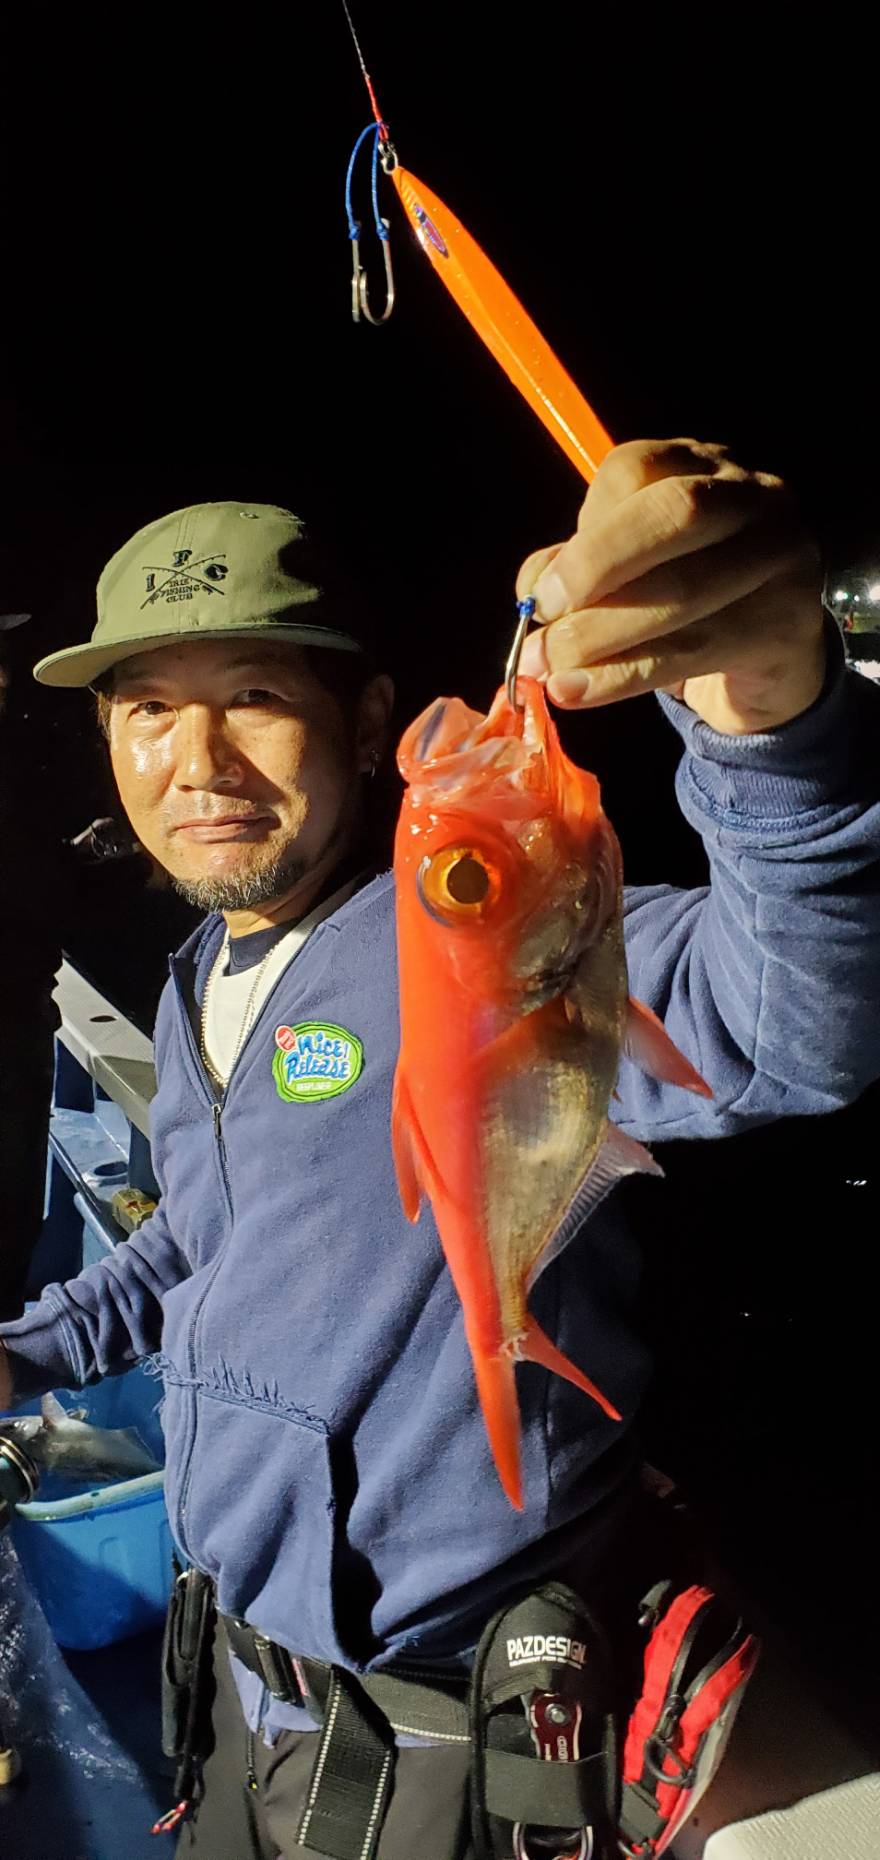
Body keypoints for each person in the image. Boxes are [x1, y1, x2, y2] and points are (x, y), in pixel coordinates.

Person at [1, 442, 879, 1859]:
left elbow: (788, 1027)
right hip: (233, 1685)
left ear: (365, 726)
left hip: (453, 1729)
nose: (196, 764)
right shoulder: (200, 972)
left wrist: (773, 722)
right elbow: (198, 1243)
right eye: (149, 708)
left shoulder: (486, 924)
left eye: (255, 698)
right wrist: (27, 1353)